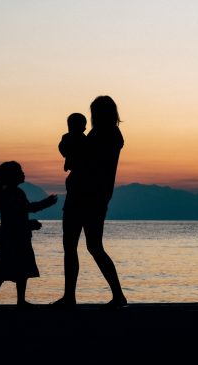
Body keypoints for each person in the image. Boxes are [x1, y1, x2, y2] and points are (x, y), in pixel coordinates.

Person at [53, 95, 128, 309]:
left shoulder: (109, 135)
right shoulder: (99, 134)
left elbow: (85, 159)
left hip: (90, 196)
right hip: (86, 195)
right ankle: (71, 297)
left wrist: (72, 148)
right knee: (79, 246)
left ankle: (114, 295)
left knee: (89, 246)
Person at [0, 161, 57, 307]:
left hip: (11, 236)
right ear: (12, 176)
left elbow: (21, 212)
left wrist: (30, 224)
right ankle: (7, 301)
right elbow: (22, 212)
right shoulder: (14, 193)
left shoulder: (9, 193)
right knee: (15, 268)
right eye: (20, 171)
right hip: (15, 237)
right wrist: (44, 206)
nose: (23, 173)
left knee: (8, 268)